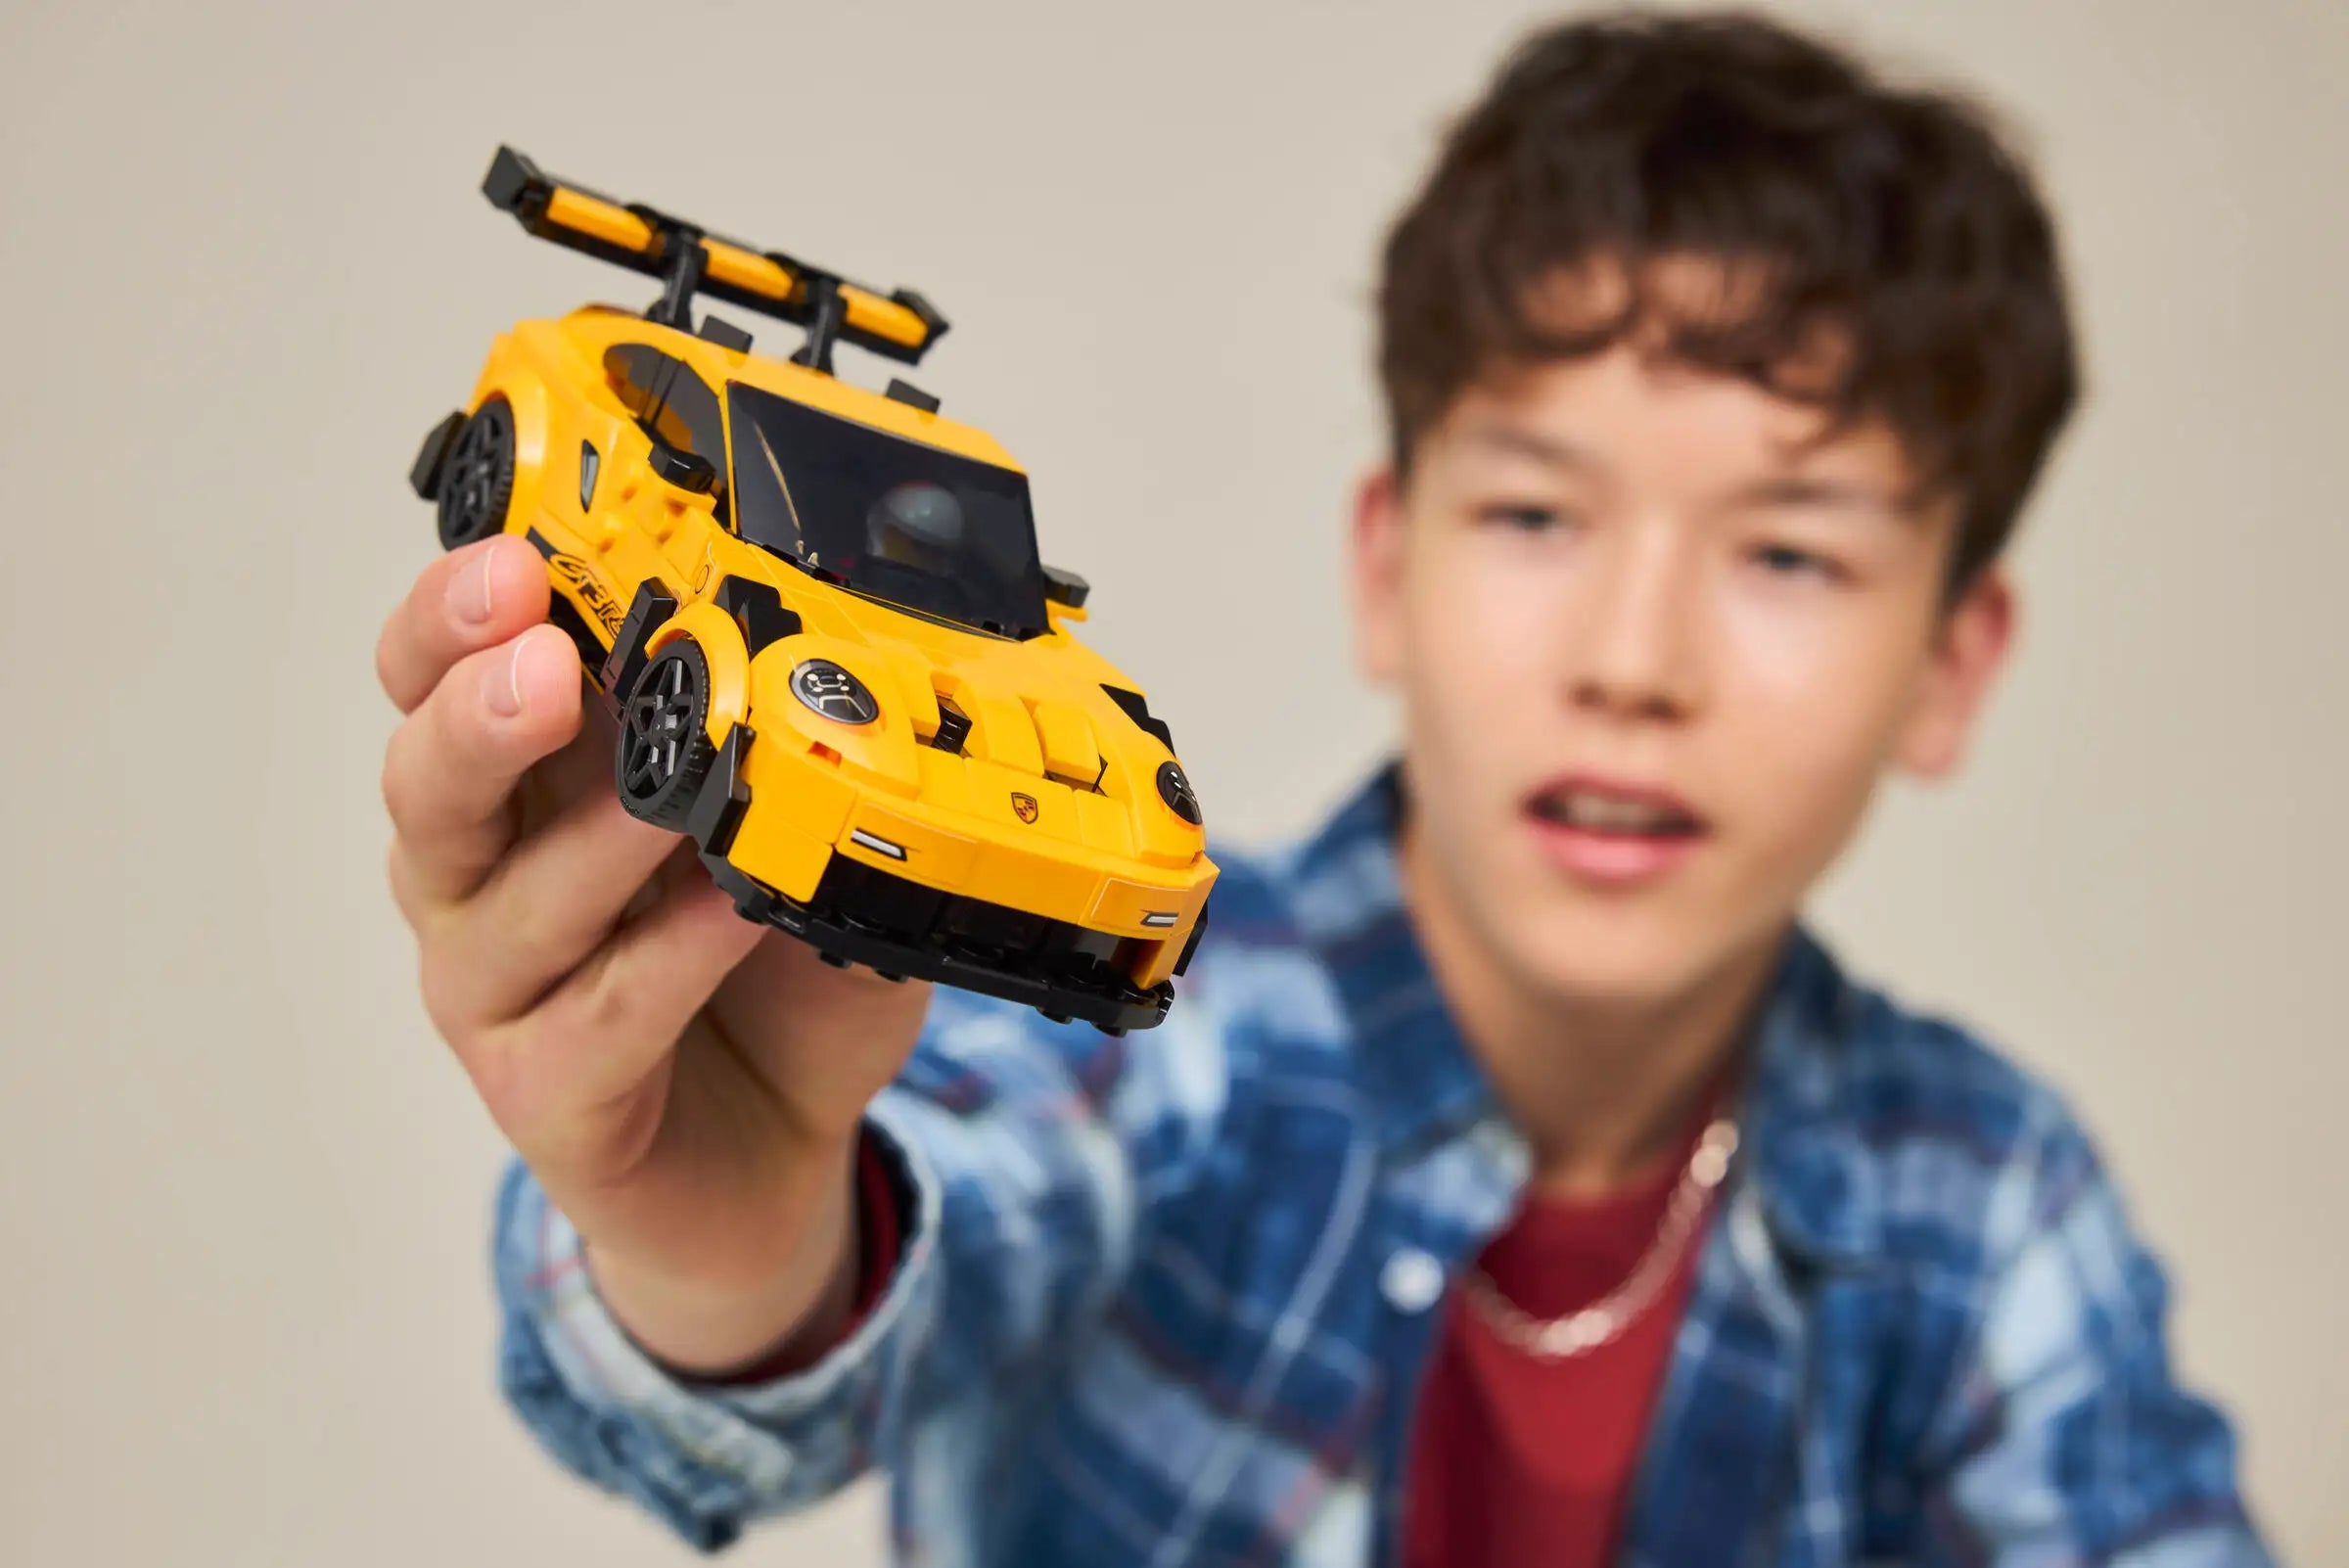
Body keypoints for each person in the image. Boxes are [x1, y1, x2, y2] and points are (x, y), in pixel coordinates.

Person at [376, 11, 2275, 1564]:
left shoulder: (1983, 1200)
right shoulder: (1166, 1049)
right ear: (1388, 563)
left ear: (1952, 665)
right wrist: (734, 1241)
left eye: (1788, 554)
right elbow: (911, 1205)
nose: (1636, 659)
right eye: (1536, 511)